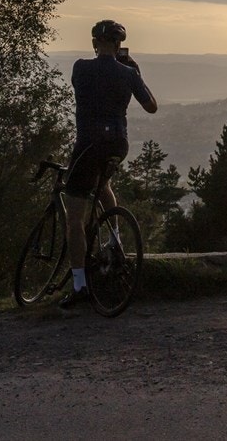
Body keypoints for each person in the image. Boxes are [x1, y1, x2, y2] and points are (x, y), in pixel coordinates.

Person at [60, 19, 158, 310]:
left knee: (74, 216)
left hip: (88, 144)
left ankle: (79, 285)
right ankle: (115, 239)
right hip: (118, 143)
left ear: (94, 44)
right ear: (118, 45)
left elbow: (84, 87)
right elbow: (151, 106)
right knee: (103, 184)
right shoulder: (128, 73)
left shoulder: (80, 67)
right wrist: (134, 71)